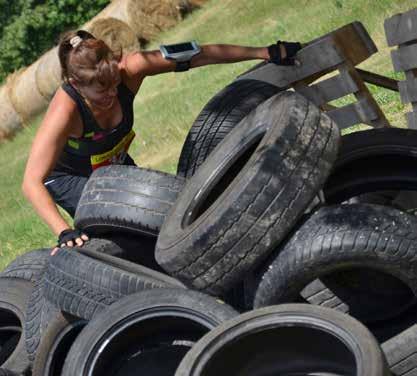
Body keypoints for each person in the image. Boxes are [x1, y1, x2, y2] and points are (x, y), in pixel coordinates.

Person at [21, 29, 302, 252]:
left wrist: (262, 52)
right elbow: (32, 181)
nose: (110, 95)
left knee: (155, 213)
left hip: (111, 161)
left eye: (114, 84)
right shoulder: (65, 110)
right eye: (100, 90)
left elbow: (198, 54)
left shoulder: (131, 67)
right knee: (130, 228)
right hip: (68, 176)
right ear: (75, 83)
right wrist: (63, 231)